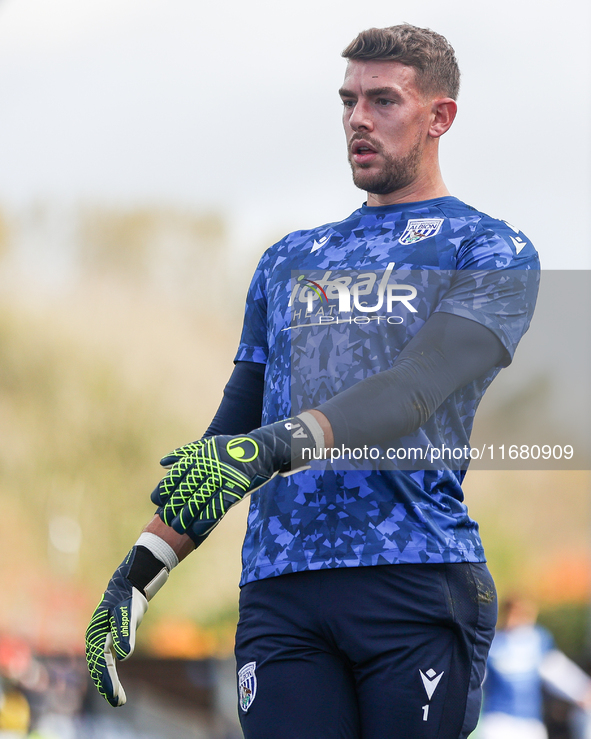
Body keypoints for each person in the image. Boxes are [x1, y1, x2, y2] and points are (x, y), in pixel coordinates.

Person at [85, 24, 540, 739]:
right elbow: (229, 439)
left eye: (383, 100)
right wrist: (139, 569)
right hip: (279, 591)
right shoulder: (287, 259)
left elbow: (415, 388)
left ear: (438, 116)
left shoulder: (489, 247)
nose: (358, 118)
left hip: (414, 578)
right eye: (348, 100)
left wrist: (270, 447)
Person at [479, 597, 591, 739]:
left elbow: (557, 671)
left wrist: (582, 691)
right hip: (497, 721)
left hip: (529, 722)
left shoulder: (538, 641)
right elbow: (478, 678)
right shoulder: (492, 643)